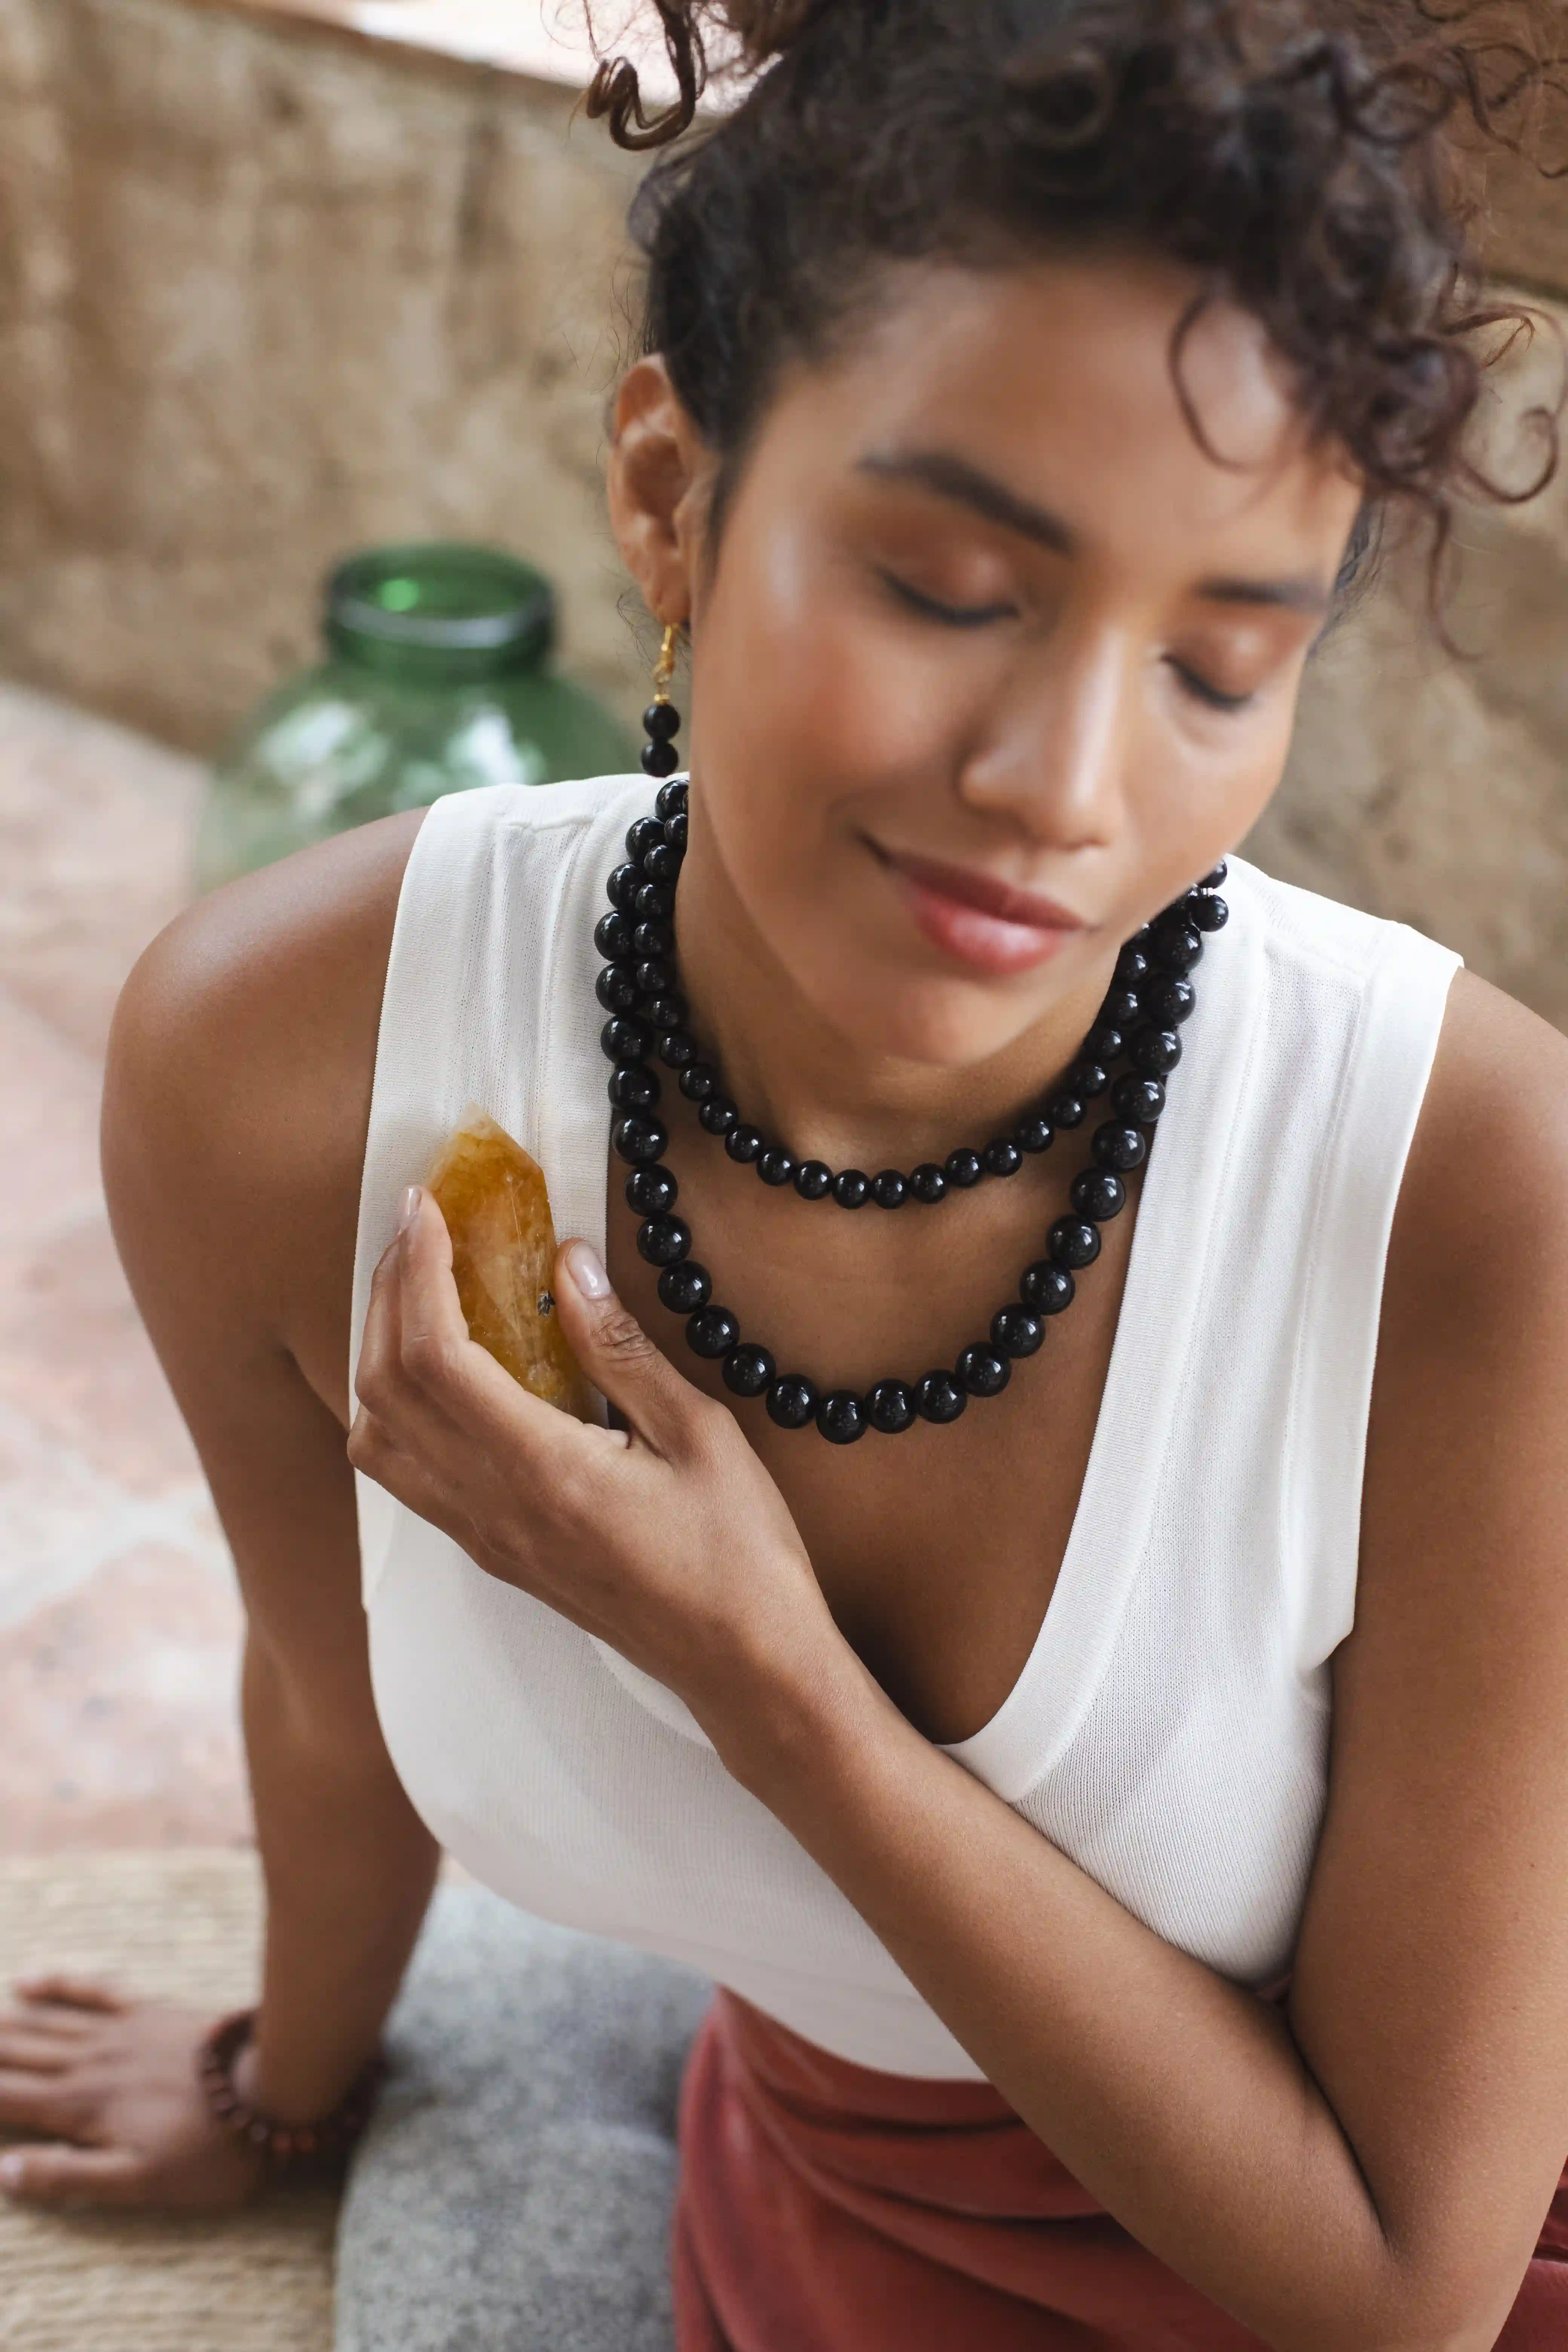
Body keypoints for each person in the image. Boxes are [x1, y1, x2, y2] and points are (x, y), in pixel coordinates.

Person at [3, 1, 1566, 2344]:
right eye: (952, 588)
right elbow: (328, 1700)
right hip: (843, 2210)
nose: (1063, 782)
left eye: (1222, 669)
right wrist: (284, 2093)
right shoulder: (289, 1068)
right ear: (669, 491)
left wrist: (762, 1672)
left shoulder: (1474, 1195)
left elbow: (1400, 2286)